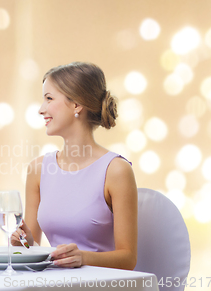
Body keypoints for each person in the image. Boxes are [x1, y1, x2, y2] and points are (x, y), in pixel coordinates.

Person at [12, 62, 138, 270]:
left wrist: (83, 257)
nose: (41, 109)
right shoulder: (38, 169)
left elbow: (128, 259)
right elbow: (32, 248)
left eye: (49, 98)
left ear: (76, 105)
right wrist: (22, 242)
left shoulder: (116, 170)